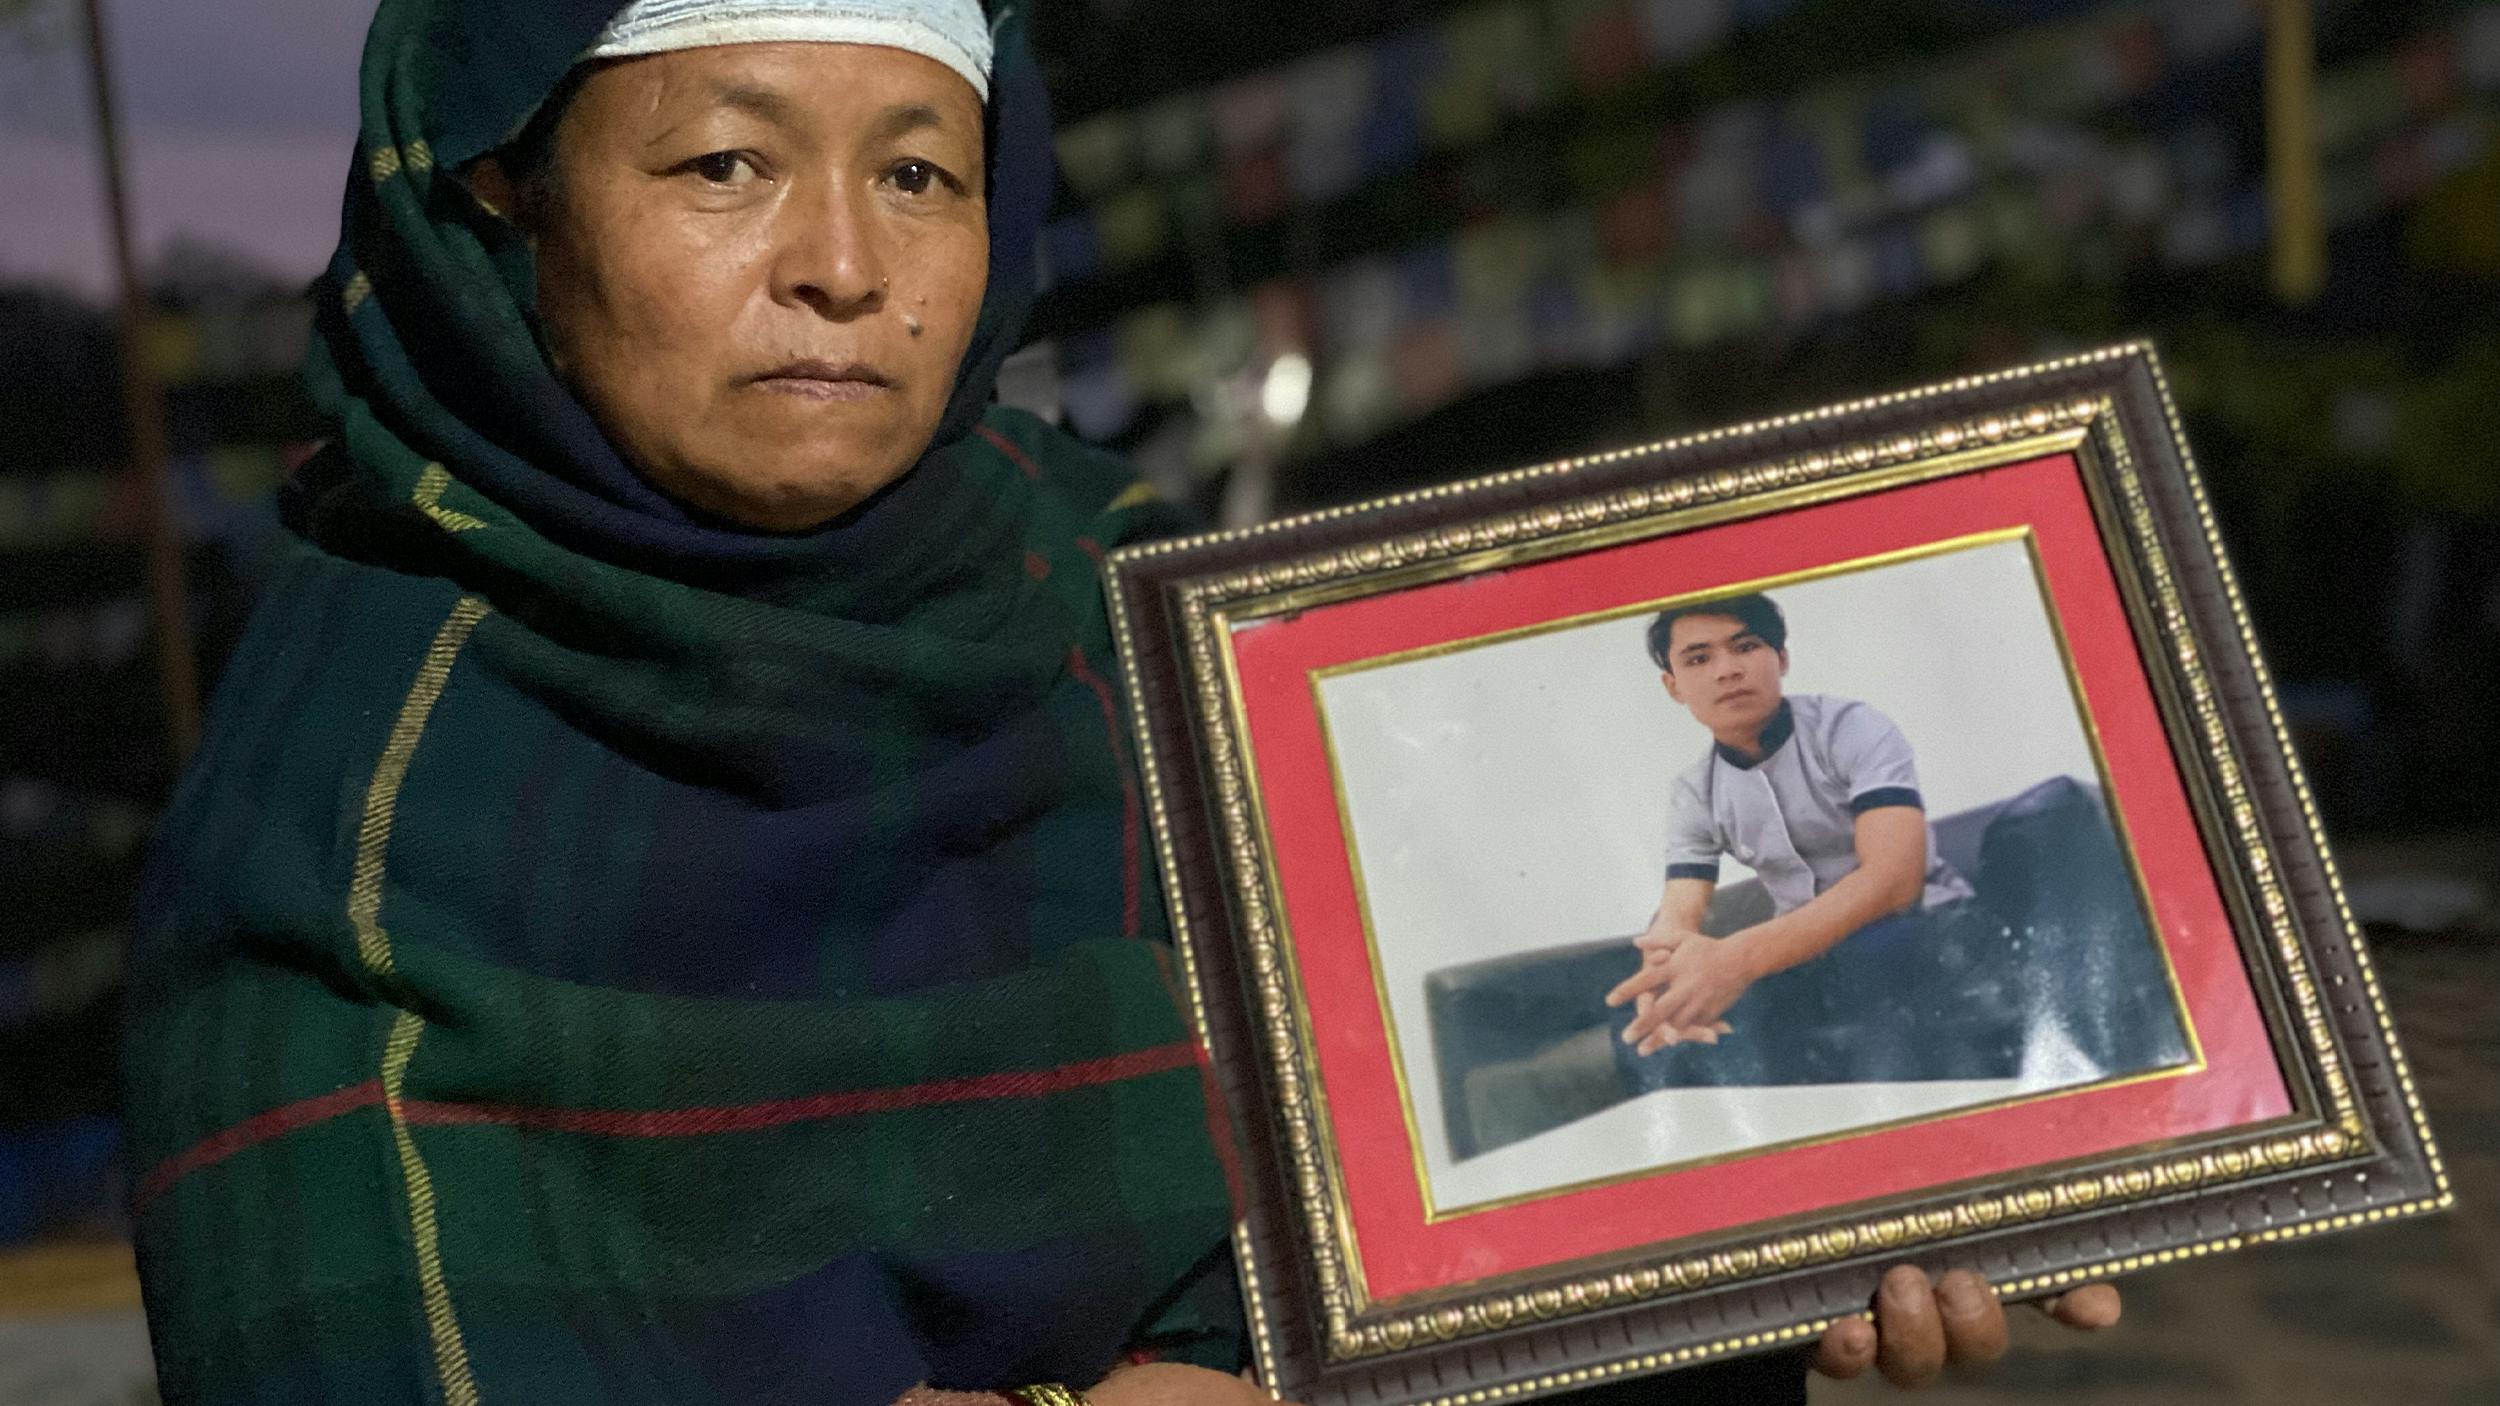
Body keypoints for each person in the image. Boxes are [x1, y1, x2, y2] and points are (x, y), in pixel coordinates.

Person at [119, 3, 2117, 1403]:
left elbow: (1466, 1192)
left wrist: (1772, 1240)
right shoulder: (361, 810)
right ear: (502, 206)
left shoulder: (1148, 622)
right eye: (723, 160)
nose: (840, 262)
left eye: (920, 170)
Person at [1605, 593, 2027, 1085]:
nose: (1727, 670)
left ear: (1781, 659)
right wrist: (1662, 980)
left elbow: (1895, 881)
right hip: (1804, 956)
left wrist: (1736, 959)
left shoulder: (1851, 729)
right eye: (1699, 658)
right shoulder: (1694, 791)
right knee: (1638, 1025)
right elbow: (1679, 911)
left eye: (1746, 647)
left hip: (1926, 924)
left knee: (1873, 959)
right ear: (1673, 686)